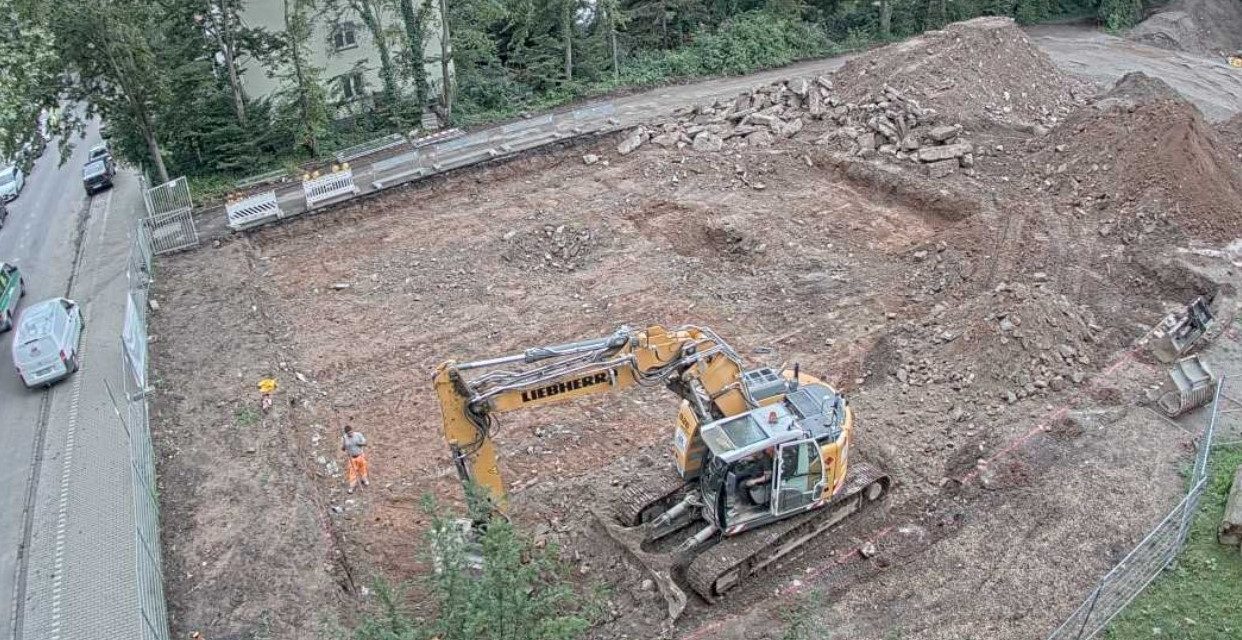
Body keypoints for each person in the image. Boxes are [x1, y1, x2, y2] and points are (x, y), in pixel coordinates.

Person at [341, 424, 369, 493]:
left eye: (351, 432)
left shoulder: (358, 435)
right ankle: (352, 486)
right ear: (346, 434)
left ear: (352, 431)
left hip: (360, 456)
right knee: (352, 472)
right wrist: (344, 445)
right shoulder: (344, 438)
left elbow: (365, 443)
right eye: (348, 433)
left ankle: (364, 479)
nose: (350, 434)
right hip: (351, 458)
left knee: (363, 468)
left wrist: (359, 443)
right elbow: (343, 449)